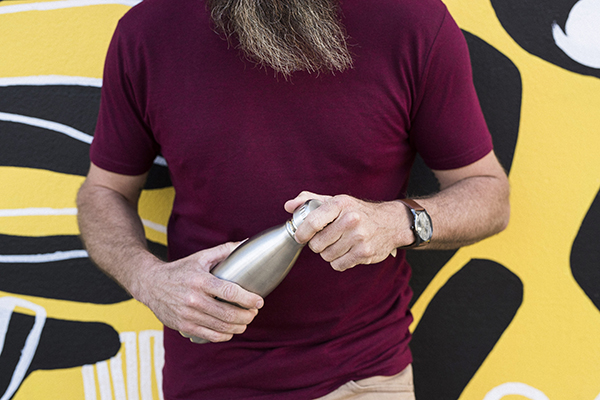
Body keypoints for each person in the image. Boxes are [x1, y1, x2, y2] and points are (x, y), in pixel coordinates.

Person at [77, 0, 510, 398]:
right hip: (208, 377)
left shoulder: (412, 20)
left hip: (365, 375)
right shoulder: (148, 31)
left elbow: (489, 194)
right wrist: (149, 280)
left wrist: (397, 222)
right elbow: (104, 191)